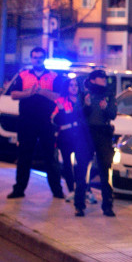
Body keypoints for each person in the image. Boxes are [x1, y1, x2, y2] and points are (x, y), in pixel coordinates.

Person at [7, 47, 64, 200]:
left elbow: (59, 96)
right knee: (24, 156)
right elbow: (13, 95)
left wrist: (41, 91)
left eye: (40, 57)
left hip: (47, 122)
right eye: (34, 57)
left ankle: (57, 191)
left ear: (44, 59)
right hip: (27, 121)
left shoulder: (54, 76)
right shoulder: (23, 75)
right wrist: (29, 93)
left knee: (50, 158)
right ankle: (19, 189)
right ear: (31, 59)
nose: (37, 60)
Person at [51, 77, 90, 217]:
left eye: (76, 85)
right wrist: (69, 115)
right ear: (66, 87)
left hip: (80, 135)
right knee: (67, 164)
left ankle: (85, 191)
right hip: (65, 136)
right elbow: (55, 119)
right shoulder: (60, 101)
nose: (74, 87)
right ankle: (71, 190)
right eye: (71, 85)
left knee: (81, 165)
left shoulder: (82, 101)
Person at [81, 69, 117, 217]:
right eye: (101, 78)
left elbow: (113, 115)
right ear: (93, 79)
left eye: (104, 78)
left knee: (104, 170)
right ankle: (79, 204)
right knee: (83, 169)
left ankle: (107, 206)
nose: (104, 80)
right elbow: (80, 114)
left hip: (103, 133)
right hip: (87, 133)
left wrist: (106, 108)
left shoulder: (108, 94)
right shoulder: (85, 93)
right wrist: (87, 106)